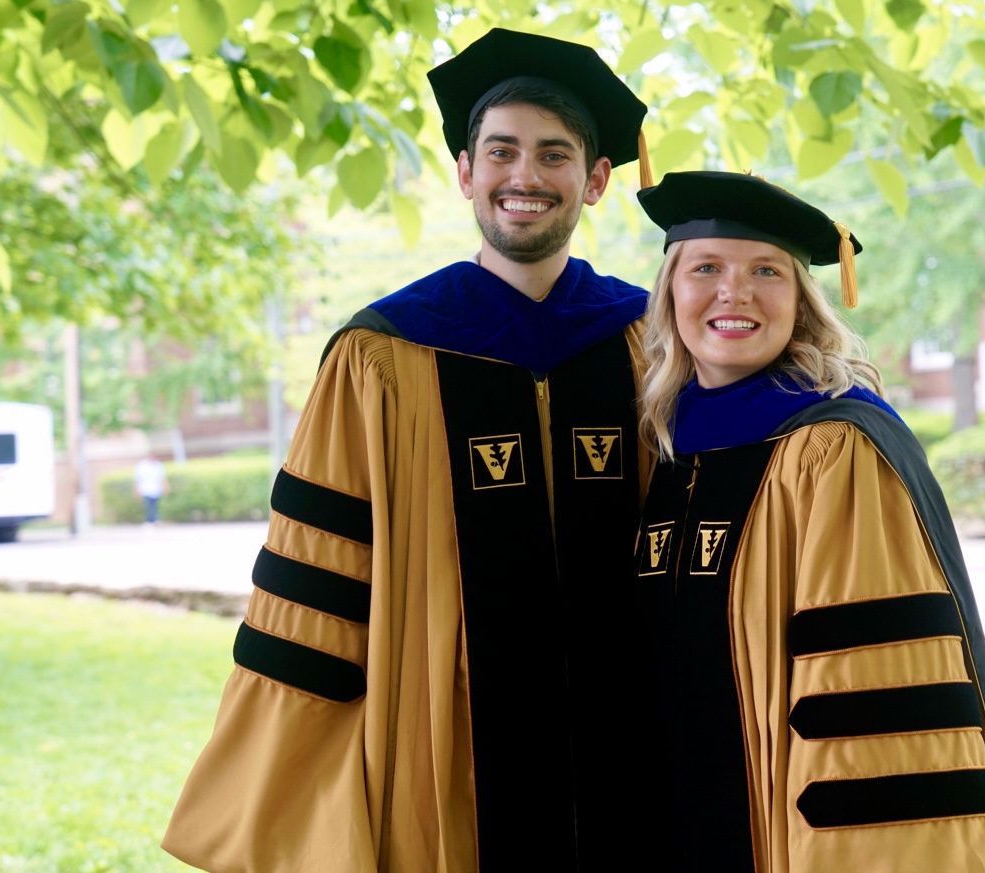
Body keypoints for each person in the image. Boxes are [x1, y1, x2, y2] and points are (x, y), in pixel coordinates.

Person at [163, 29, 666, 873]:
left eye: (554, 154)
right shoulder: (381, 356)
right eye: (500, 151)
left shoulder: (649, 339)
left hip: (636, 738)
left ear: (596, 179)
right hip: (449, 750)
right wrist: (304, 772)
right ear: (466, 173)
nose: (525, 176)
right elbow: (317, 575)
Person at [632, 171, 985, 872]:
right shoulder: (667, 443)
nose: (736, 291)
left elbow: (866, 696)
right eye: (706, 268)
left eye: (767, 271)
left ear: (801, 300)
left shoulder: (835, 446)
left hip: (793, 828)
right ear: (671, 294)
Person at [132, 455, 168, 525]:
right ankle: (150, 520)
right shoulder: (141, 466)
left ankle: (155, 519)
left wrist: (165, 487)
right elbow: (137, 479)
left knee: (155, 505)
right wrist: (136, 490)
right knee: (149, 505)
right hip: (146, 489)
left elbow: (162, 477)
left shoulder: (158, 465)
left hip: (156, 489)